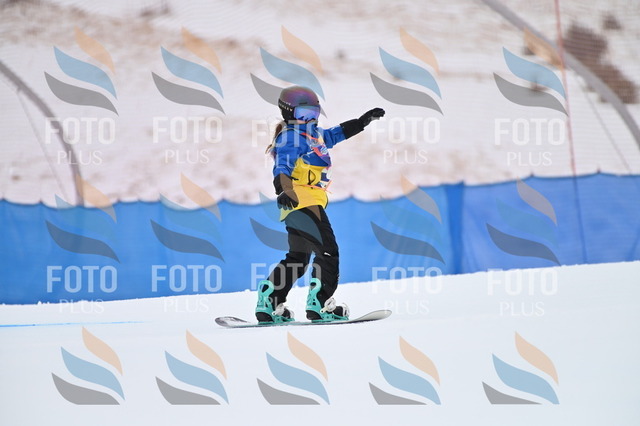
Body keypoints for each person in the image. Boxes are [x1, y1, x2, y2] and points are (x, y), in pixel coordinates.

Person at [255, 85, 385, 323]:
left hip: (304, 202)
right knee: (328, 251)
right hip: (301, 200)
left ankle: (269, 302)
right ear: (288, 113)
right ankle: (320, 304)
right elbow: (282, 165)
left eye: (313, 114)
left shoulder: (314, 135)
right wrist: (283, 189)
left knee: (298, 257)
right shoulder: (291, 137)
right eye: (303, 114)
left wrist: (361, 122)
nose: (309, 120)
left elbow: (335, 134)